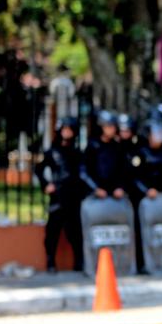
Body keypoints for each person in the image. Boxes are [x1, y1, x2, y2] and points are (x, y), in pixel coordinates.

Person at [37, 116, 85, 273]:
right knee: (53, 231)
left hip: (74, 196)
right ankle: (50, 261)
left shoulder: (77, 152)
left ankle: (79, 262)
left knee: (75, 231)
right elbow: (39, 170)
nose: (67, 132)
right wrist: (46, 185)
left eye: (70, 130)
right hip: (57, 196)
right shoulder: (52, 152)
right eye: (64, 129)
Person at [80, 109, 129, 200]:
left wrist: (120, 187)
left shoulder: (118, 146)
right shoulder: (93, 146)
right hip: (95, 194)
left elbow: (123, 169)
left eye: (113, 127)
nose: (111, 130)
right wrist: (95, 188)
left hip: (115, 195)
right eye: (108, 126)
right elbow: (84, 171)